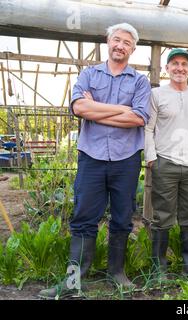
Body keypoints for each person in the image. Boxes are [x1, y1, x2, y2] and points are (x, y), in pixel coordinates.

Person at [39, 23, 150, 298]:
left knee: (123, 217)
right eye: (116, 40)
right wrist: (119, 109)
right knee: (83, 218)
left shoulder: (139, 81)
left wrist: (96, 109)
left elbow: (138, 118)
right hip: (92, 156)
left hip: (126, 159)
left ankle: (117, 273)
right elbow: (79, 107)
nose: (120, 45)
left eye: (126, 42)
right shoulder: (89, 74)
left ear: (133, 49)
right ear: (107, 41)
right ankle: (73, 281)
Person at [145, 48, 188, 277]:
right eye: (174, 64)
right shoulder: (157, 95)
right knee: (162, 215)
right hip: (166, 162)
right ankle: (159, 267)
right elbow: (148, 128)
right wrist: (152, 158)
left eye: (184, 64)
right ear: (167, 69)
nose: (179, 68)